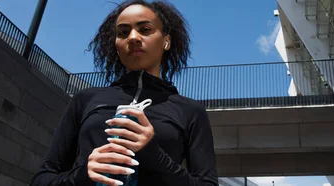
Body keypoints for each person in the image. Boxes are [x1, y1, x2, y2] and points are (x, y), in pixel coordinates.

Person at [30, 0, 218, 185]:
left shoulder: (190, 111)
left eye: (145, 29)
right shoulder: (85, 99)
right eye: (123, 32)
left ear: (166, 41)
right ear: (116, 46)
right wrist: (81, 175)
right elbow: (41, 179)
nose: (133, 37)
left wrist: (154, 154)